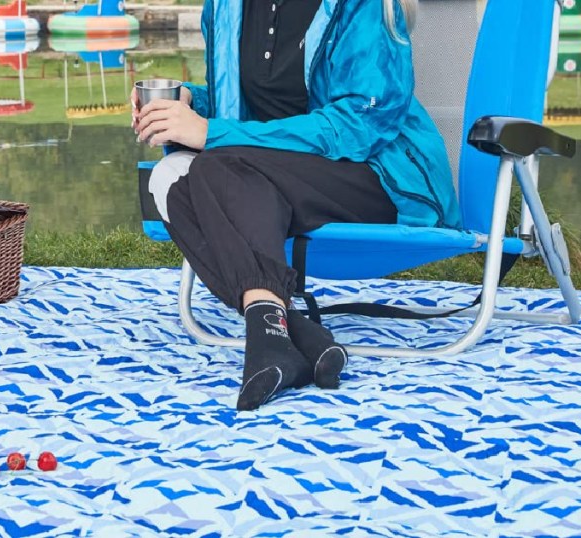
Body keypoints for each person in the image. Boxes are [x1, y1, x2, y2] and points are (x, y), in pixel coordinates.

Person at [132, 0, 461, 411]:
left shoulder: (362, 6)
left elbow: (361, 124)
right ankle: (287, 334)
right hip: (264, 177)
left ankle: (278, 335)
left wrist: (210, 132)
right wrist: (190, 104)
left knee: (215, 164)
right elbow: (251, 110)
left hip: (374, 174)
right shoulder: (229, 7)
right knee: (172, 178)